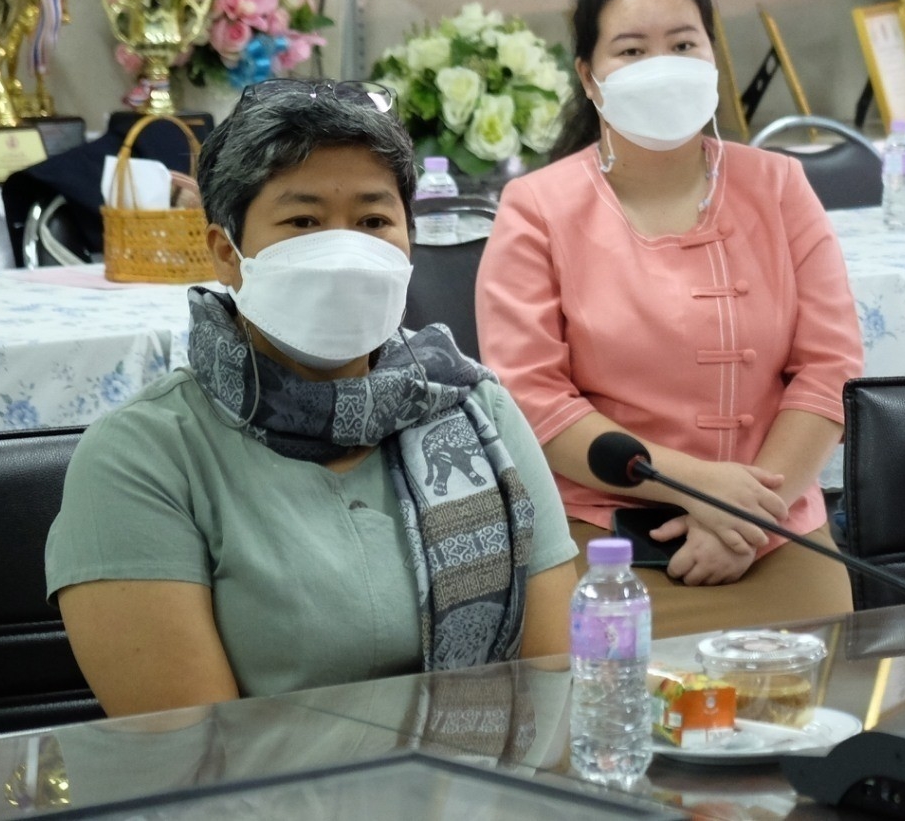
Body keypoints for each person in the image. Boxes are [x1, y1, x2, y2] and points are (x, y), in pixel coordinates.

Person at [47, 84, 577, 716]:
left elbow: (553, 687)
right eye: (302, 222)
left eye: (375, 221)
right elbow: (193, 757)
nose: (346, 252)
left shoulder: (473, 409)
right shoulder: (143, 458)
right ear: (227, 254)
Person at [476, 0, 860, 636]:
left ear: (713, 59)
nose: (663, 64)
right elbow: (533, 402)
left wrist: (751, 511)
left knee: (823, 728)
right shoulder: (536, 207)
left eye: (684, 44)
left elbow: (829, 368)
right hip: (607, 548)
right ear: (590, 78)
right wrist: (703, 485)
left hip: (774, 533)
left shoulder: (780, 185)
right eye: (631, 50)